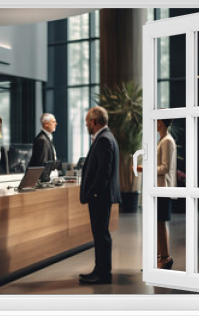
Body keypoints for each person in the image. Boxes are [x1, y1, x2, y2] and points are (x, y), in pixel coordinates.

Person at [79, 106, 121, 284]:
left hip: (100, 196)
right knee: (100, 235)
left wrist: (93, 192)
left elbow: (104, 171)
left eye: (88, 121)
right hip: (101, 195)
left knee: (101, 235)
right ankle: (99, 270)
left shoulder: (104, 139)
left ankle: (103, 274)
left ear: (94, 122)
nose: (86, 125)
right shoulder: (106, 137)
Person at [156, 118, 177, 270]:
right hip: (159, 188)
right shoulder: (163, 140)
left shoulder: (167, 141)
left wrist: (144, 168)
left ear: (160, 122)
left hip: (163, 188)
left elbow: (165, 167)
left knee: (160, 223)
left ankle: (165, 257)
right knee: (159, 223)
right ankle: (162, 256)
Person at [28, 113, 57, 182]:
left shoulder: (47, 138)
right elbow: (42, 164)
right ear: (46, 123)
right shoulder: (42, 140)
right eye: (53, 122)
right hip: (42, 182)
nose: (56, 124)